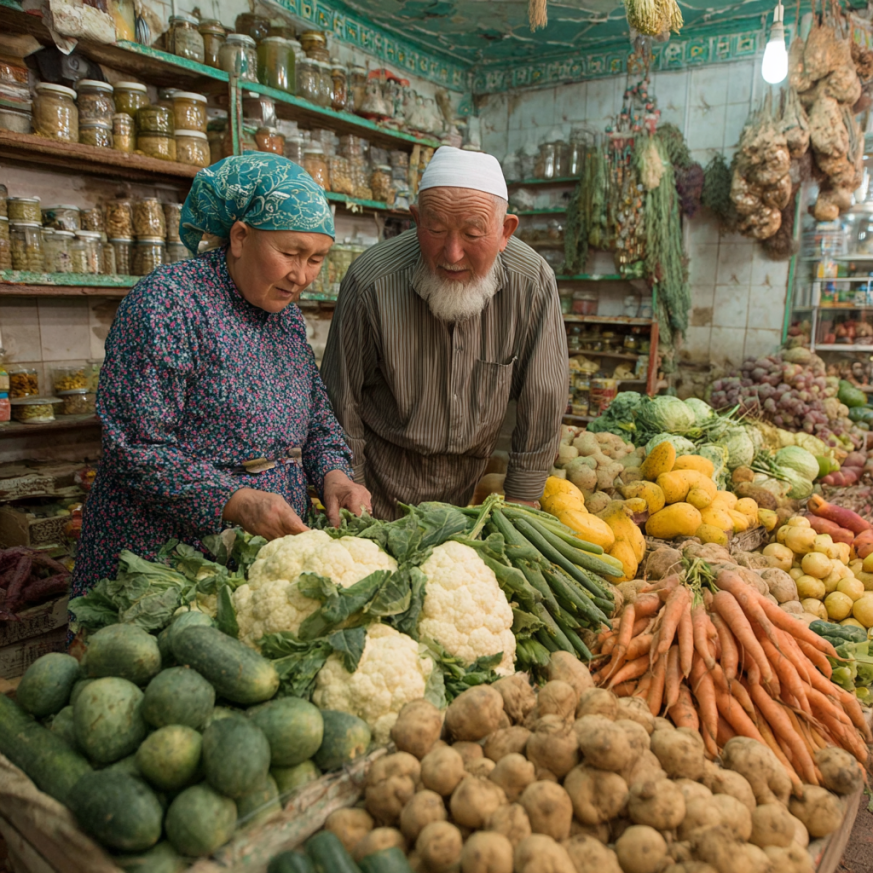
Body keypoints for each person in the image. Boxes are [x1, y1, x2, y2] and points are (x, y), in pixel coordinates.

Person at [72, 153, 371, 598]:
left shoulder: (284, 317)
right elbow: (135, 446)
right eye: (290, 253)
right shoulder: (170, 302)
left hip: (257, 554)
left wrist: (334, 475)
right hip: (163, 560)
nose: (301, 275)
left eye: (317, 259)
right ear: (239, 236)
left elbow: (316, 422)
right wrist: (233, 501)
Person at [321, 146, 568, 519]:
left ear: (505, 231)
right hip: (379, 482)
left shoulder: (532, 282)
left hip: (475, 489)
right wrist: (351, 488)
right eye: (435, 230)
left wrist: (522, 497)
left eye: (472, 234)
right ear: (416, 220)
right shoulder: (372, 280)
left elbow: (544, 395)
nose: (452, 254)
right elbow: (341, 399)